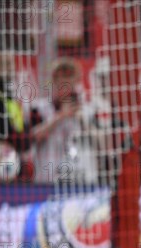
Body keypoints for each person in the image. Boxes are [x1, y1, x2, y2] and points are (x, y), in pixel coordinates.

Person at [25, 57, 98, 185]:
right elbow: (32, 138)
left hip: (81, 181)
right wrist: (60, 116)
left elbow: (98, 141)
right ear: (53, 82)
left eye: (69, 83)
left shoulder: (87, 109)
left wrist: (82, 119)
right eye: (60, 83)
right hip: (46, 181)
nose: (64, 88)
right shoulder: (39, 108)